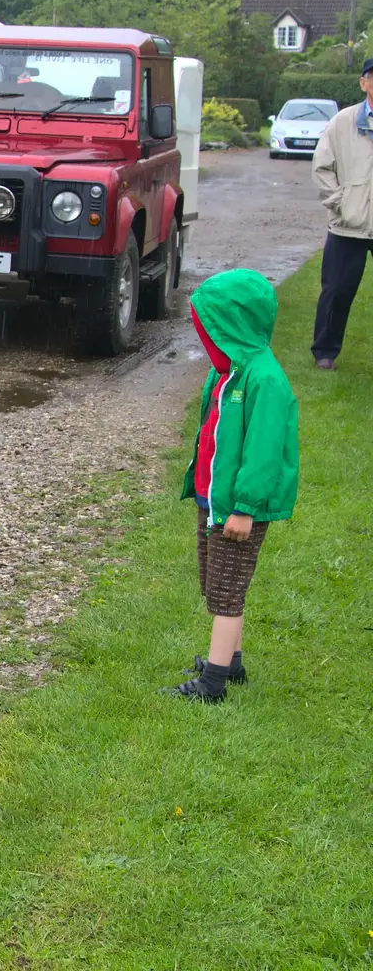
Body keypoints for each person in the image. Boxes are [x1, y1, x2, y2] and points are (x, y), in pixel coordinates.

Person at [168, 269, 299, 703]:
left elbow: (263, 453)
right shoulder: (228, 373)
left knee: (227, 592)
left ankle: (213, 684)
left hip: (238, 506)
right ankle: (232, 662)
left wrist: (245, 507)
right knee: (217, 583)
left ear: (235, 326)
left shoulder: (263, 380)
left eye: (213, 329)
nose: (208, 341)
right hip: (215, 498)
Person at [309, 56, 373, 371]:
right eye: (372, 77)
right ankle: (325, 352)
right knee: (336, 291)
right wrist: (341, 203)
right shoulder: (343, 122)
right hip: (349, 224)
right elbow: (322, 167)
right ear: (363, 83)